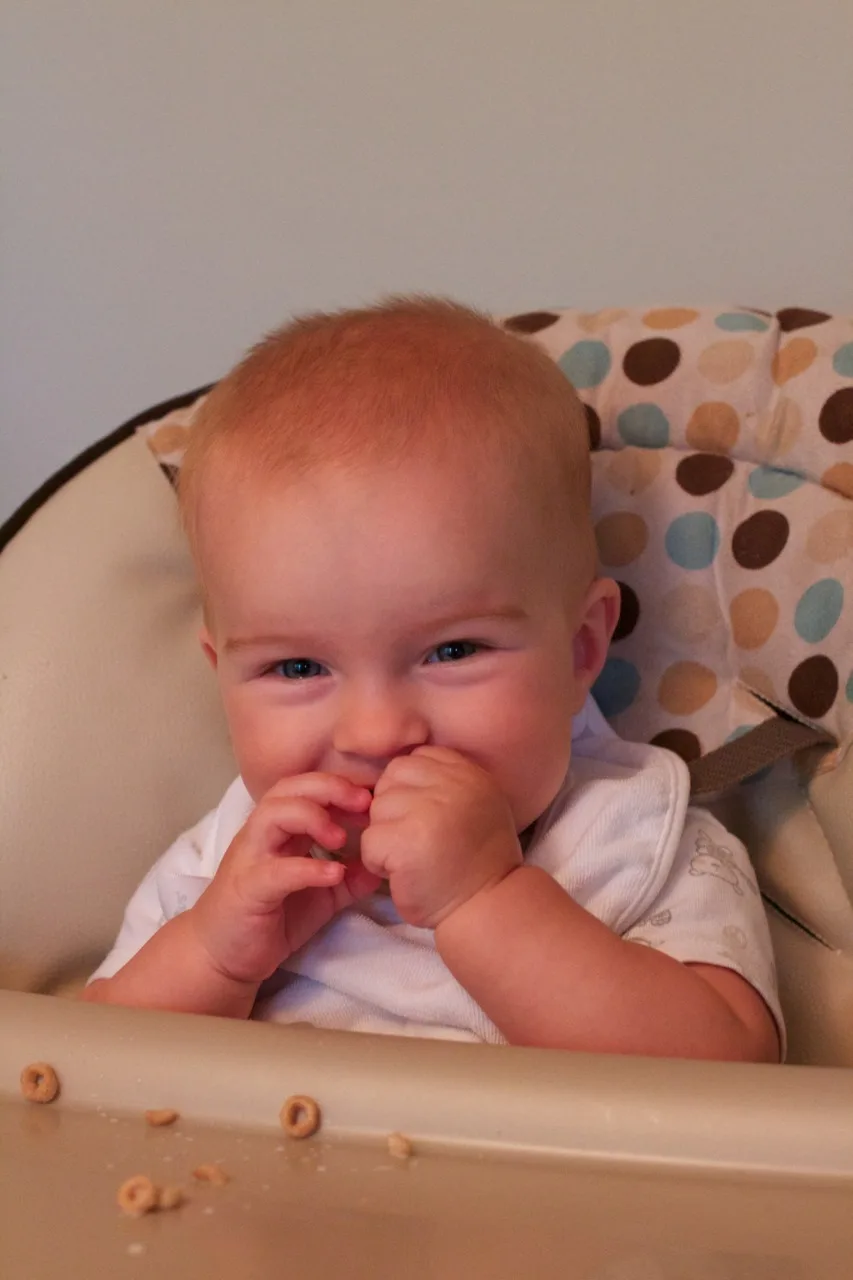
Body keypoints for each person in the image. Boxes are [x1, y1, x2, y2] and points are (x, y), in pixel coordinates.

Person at [83, 297, 782, 1061]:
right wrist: (215, 957)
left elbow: (727, 1070)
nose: (376, 732)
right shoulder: (225, 865)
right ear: (223, 678)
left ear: (581, 649)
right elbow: (84, 1065)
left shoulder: (633, 840)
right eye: (297, 667)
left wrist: (484, 899)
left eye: (452, 652)